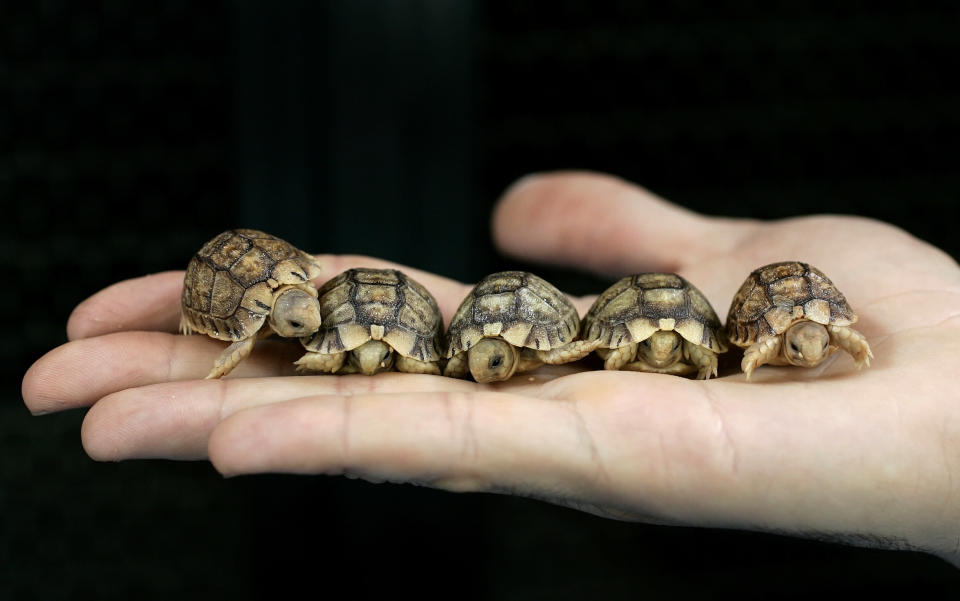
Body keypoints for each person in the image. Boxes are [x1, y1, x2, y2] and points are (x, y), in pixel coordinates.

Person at [22, 171, 960, 567]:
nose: (498, 367)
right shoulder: (404, 334)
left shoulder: (736, 336)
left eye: (805, 345)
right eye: (488, 358)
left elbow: (640, 340)